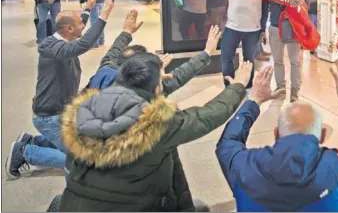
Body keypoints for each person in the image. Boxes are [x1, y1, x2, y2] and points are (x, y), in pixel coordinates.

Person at [57, 48, 261, 211]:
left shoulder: (87, 106)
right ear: (156, 88)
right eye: (163, 78)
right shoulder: (155, 122)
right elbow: (205, 116)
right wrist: (239, 86)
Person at [216, 56, 338, 211]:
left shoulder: (244, 167)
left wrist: (254, 100)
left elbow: (227, 142)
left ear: (277, 133)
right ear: (323, 136)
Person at [5, 0, 116, 179]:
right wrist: (105, 13)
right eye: (81, 23)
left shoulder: (64, 39)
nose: (84, 25)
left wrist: (88, 10)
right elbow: (83, 44)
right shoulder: (52, 47)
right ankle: (23, 152)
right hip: (48, 116)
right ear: (69, 29)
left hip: (60, 112)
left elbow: (76, 30)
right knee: (78, 162)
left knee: (76, 144)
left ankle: (32, 141)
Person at [193, 0, 273, 89]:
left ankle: (247, 88)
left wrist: (290, 2)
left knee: (249, 61)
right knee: (226, 57)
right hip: (232, 27)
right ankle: (229, 86)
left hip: (252, 29)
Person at [86, 24, 222, 97]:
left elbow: (113, 52)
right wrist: (207, 52)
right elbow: (179, 76)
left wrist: (126, 32)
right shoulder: (147, 90)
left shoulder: (105, 70)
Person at [267, 0, 306, 102]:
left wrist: (295, 3)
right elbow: (264, 8)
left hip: (292, 29)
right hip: (275, 28)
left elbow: (304, 2)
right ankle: (280, 88)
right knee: (278, 60)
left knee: (295, 61)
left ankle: (295, 91)